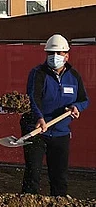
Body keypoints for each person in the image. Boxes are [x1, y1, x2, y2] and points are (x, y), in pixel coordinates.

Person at [21, 34, 89, 196]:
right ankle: (27, 203)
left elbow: (84, 99)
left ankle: (58, 205)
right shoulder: (38, 73)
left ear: (67, 55)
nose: (55, 56)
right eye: (51, 53)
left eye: (59, 53)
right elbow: (33, 97)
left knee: (59, 176)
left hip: (60, 132)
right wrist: (39, 117)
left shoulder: (74, 76)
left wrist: (76, 106)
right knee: (33, 174)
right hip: (36, 130)